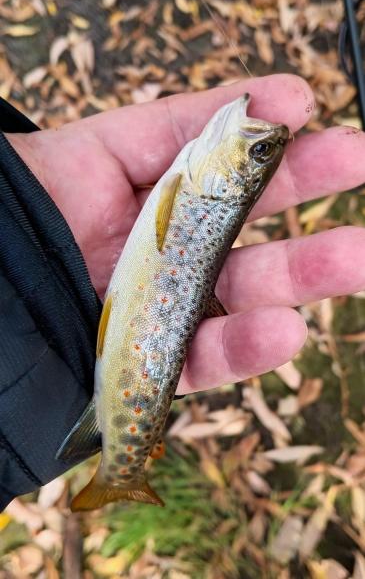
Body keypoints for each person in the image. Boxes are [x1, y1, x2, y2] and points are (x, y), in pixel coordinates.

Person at [1, 73, 364, 510]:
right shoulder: (191, 180)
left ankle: (119, 470)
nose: (258, 141)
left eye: (258, 150)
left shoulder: (192, 185)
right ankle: (120, 463)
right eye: (261, 152)